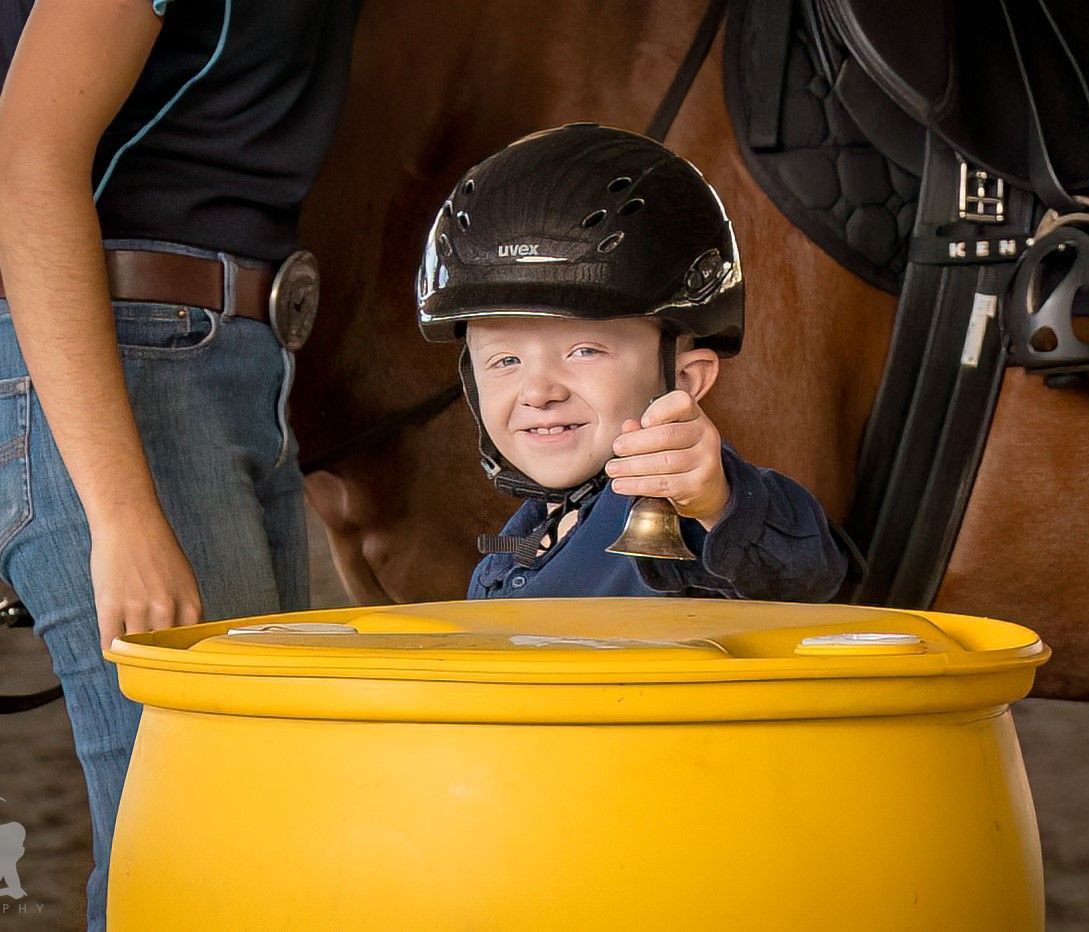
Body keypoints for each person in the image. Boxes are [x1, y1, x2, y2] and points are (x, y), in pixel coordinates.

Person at [0, 1, 362, 927]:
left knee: (256, 846)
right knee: (200, 866)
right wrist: (121, 513)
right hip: (127, 353)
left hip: (238, 360)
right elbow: (26, 158)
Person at [416, 123, 849, 601]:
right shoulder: (510, 554)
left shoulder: (683, 513)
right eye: (504, 360)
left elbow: (803, 572)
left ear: (685, 378)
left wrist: (716, 501)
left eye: (584, 351)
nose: (538, 392)